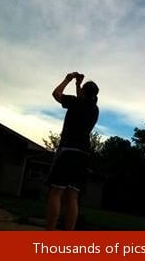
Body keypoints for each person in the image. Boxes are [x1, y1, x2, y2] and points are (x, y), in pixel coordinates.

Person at [46, 70, 99, 231]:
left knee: (56, 192)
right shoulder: (94, 108)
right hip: (83, 155)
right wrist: (78, 85)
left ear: (83, 93)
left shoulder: (76, 103)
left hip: (67, 151)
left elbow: (56, 94)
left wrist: (67, 79)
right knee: (72, 197)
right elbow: (81, 99)